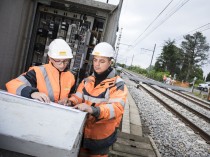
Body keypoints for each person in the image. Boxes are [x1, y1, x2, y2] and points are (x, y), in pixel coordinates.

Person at [59, 42, 128, 157]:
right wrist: (70, 101)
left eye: (102, 61)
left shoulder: (117, 84)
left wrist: (93, 110)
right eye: (95, 60)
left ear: (110, 62)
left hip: (101, 137)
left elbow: (116, 108)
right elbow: (78, 97)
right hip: (83, 133)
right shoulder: (87, 81)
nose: (97, 64)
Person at [6, 38, 75, 103]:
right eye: (58, 61)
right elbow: (12, 84)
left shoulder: (70, 77)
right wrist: (32, 93)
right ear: (50, 58)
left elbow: (71, 96)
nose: (62, 65)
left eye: (66, 61)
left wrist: (69, 100)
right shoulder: (38, 72)